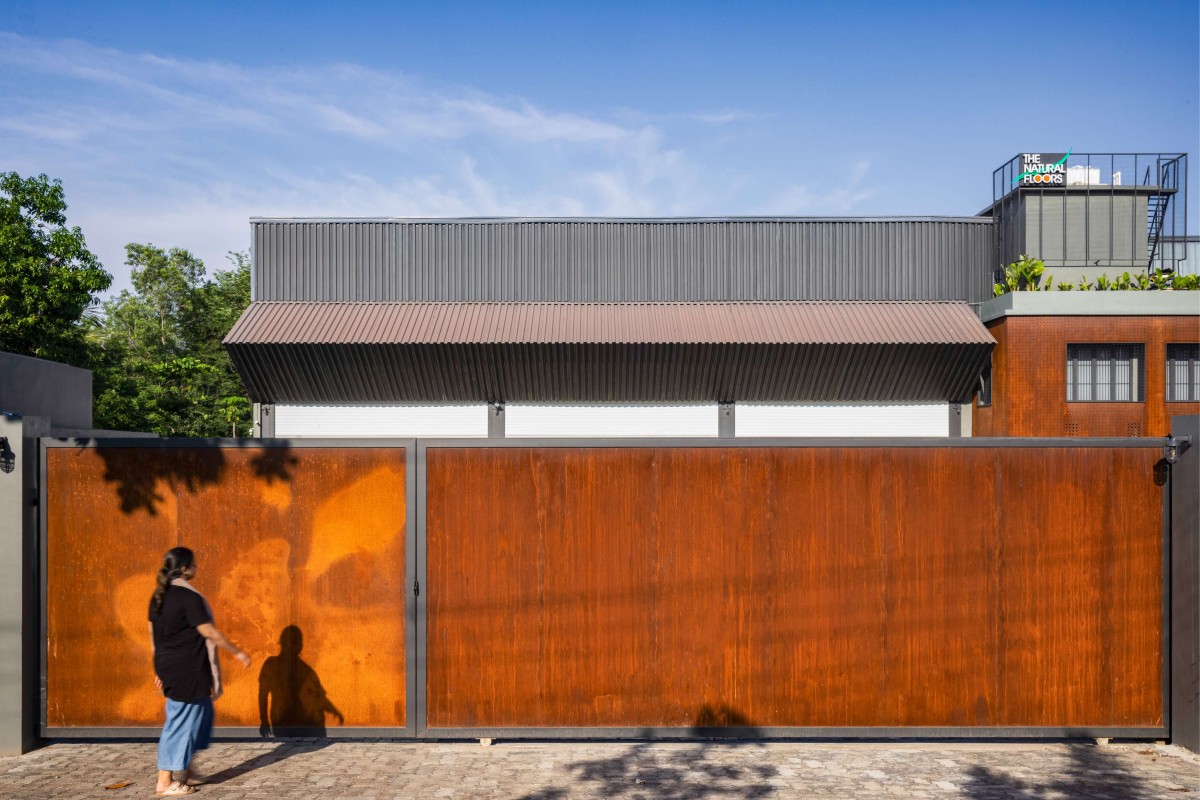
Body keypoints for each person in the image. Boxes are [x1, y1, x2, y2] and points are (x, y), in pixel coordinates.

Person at [148, 547, 251, 797]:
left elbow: (154, 637)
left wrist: (159, 667)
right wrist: (237, 652)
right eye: (194, 564)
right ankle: (165, 781)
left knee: (201, 713)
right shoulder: (189, 598)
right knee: (180, 722)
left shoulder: (159, 596)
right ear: (184, 568)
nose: (197, 567)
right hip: (186, 668)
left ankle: (186, 770)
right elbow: (210, 634)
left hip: (173, 665)